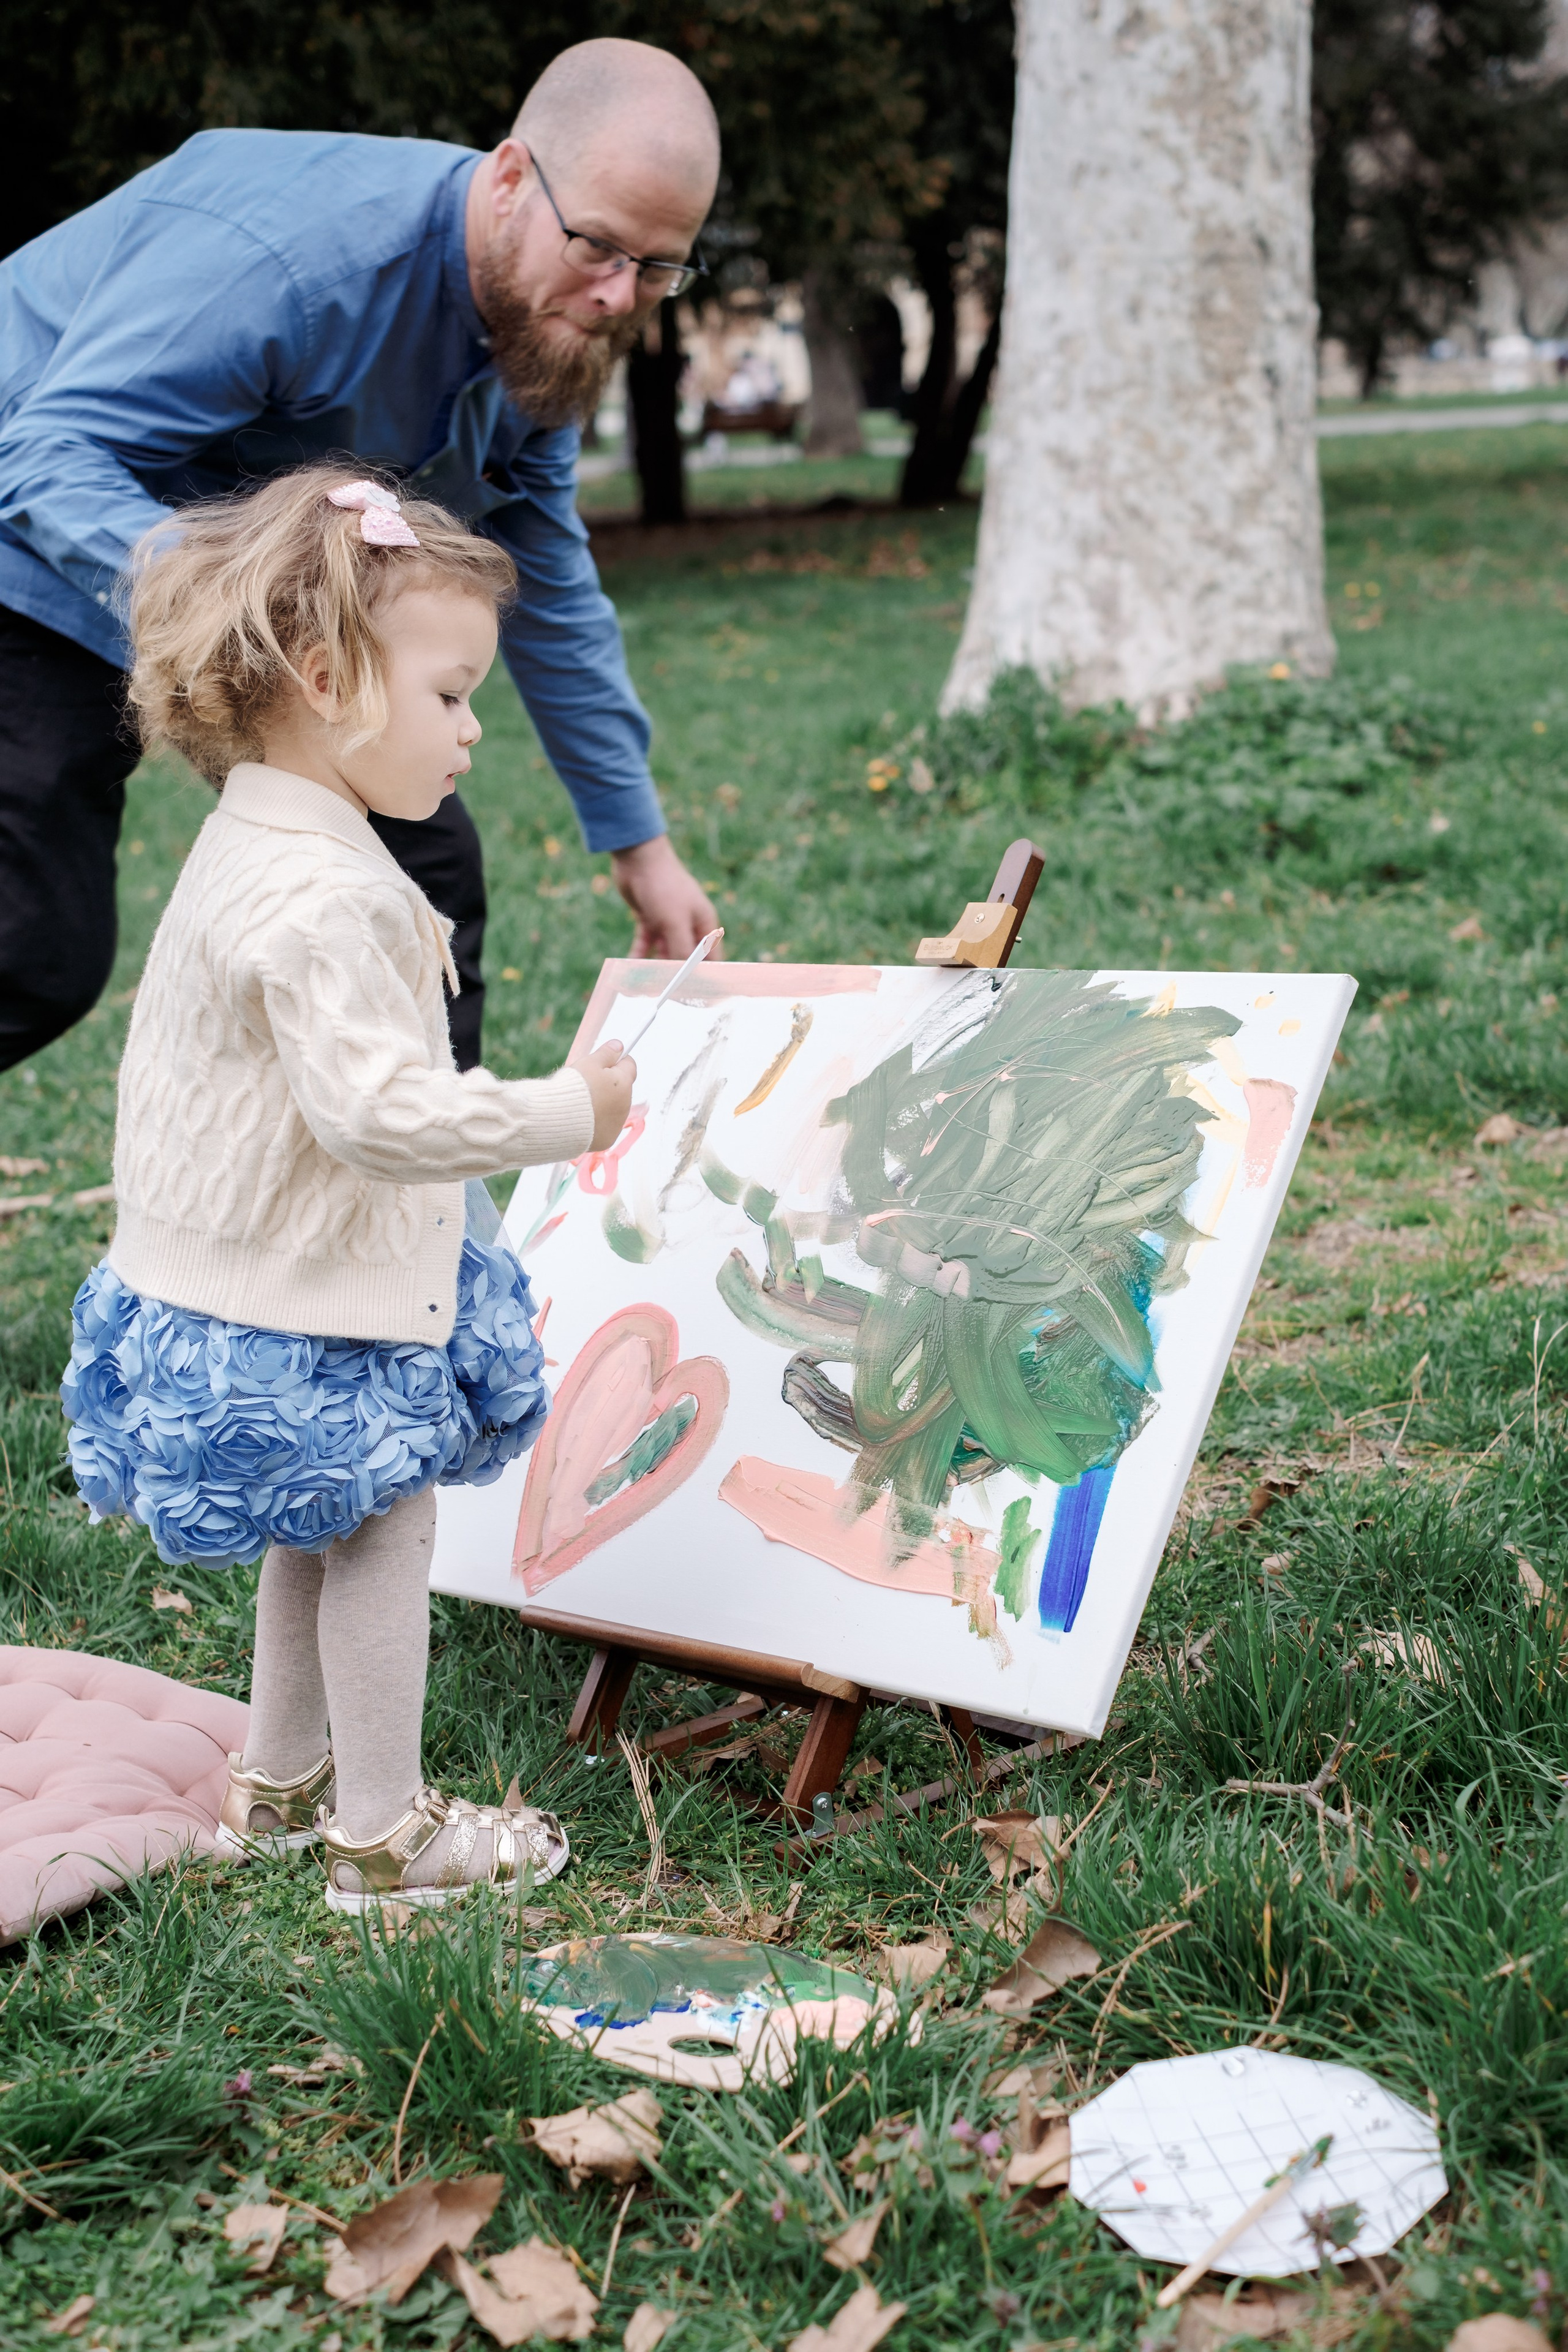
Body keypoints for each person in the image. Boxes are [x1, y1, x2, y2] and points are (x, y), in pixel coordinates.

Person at [60, 463, 636, 1912]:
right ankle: (384, 1836)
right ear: (324, 681)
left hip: (223, 1280)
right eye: (449, 694)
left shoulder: (250, 841)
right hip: (309, 1305)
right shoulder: (329, 895)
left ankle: (277, 1780)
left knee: (312, 1526)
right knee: (379, 1529)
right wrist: (568, 1109)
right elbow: (379, 1116)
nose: (473, 727)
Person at [0, 36, 720, 1075]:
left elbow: (551, 585)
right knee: (32, 947)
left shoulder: (543, 330)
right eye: (600, 247)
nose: (619, 296)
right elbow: (43, 454)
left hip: (243, 589)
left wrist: (639, 843)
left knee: (420, 869)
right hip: (35, 543)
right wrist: (243, 599)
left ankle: (422, 1168)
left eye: (658, 268)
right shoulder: (295, 264)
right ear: (511, 180)